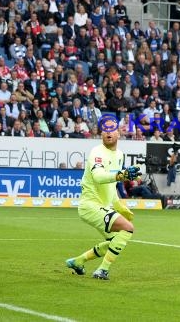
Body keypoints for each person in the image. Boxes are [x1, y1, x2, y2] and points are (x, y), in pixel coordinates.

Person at [65, 118, 141, 280]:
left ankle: (78, 261)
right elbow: (99, 177)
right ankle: (102, 270)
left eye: (112, 129)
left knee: (115, 241)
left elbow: (111, 186)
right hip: (90, 206)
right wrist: (121, 175)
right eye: (104, 130)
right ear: (101, 134)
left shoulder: (119, 155)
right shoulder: (97, 152)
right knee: (128, 229)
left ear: (118, 133)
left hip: (103, 207)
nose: (108, 132)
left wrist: (119, 206)